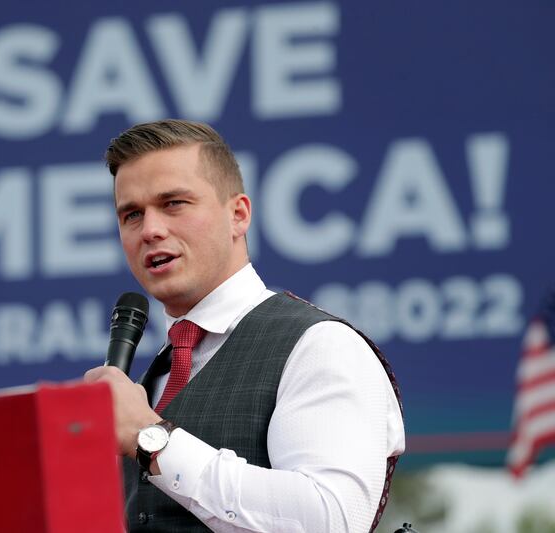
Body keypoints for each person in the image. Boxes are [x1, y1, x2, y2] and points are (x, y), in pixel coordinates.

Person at [84, 119, 405, 533]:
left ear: (237, 215)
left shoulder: (320, 345)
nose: (150, 230)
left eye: (174, 203)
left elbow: (330, 520)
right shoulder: (150, 381)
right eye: (132, 214)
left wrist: (152, 439)